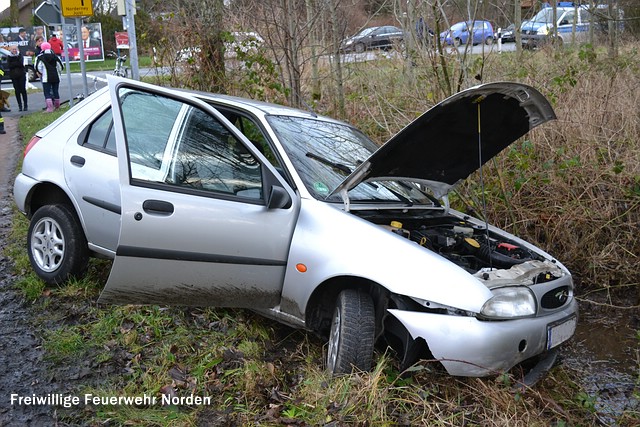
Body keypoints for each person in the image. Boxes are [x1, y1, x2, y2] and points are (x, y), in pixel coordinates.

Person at [35, 42, 64, 112]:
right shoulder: (55, 56)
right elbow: (61, 66)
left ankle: (50, 108)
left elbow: (38, 67)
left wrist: (42, 73)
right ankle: (57, 107)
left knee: (47, 92)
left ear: (42, 48)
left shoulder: (39, 57)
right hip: (56, 77)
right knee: (55, 91)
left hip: (46, 77)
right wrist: (58, 73)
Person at [7, 46, 28, 112]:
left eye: (15, 49)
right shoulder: (9, 57)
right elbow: (9, 65)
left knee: (23, 90)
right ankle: (20, 106)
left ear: (17, 50)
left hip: (21, 75)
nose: (14, 50)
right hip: (13, 76)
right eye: (13, 49)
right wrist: (16, 63)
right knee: (17, 91)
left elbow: (20, 63)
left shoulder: (20, 55)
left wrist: (14, 64)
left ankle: (25, 105)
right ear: (11, 50)